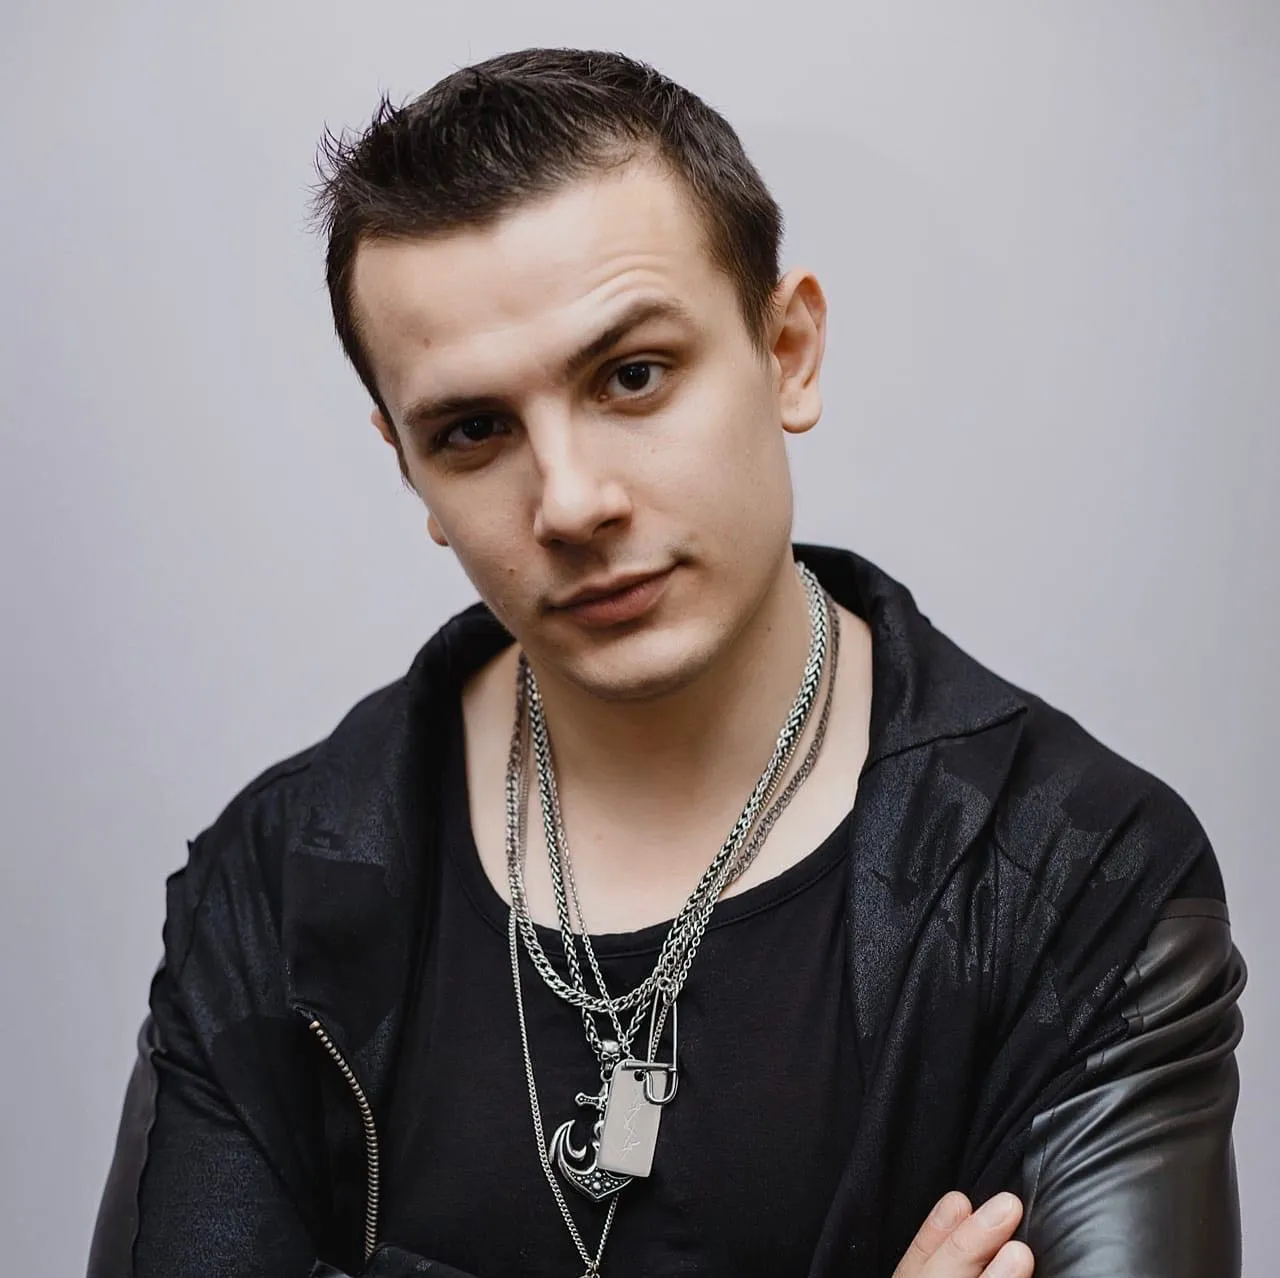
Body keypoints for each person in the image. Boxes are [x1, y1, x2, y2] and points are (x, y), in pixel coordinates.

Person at [88, 48, 1244, 1278]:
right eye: (473, 430)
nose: (570, 501)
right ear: (409, 468)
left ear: (786, 350)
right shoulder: (274, 885)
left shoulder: (1076, 873)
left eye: (631, 376)